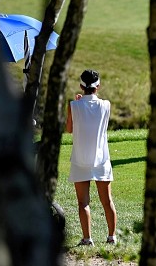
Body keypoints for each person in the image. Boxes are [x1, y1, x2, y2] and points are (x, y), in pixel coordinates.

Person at [66, 69, 118, 246]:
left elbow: (69, 129)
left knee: (83, 202)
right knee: (107, 200)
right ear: (98, 86)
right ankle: (111, 236)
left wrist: (77, 104)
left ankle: (87, 238)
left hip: (80, 158)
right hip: (101, 157)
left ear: (81, 86)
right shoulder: (106, 105)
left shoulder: (74, 105)